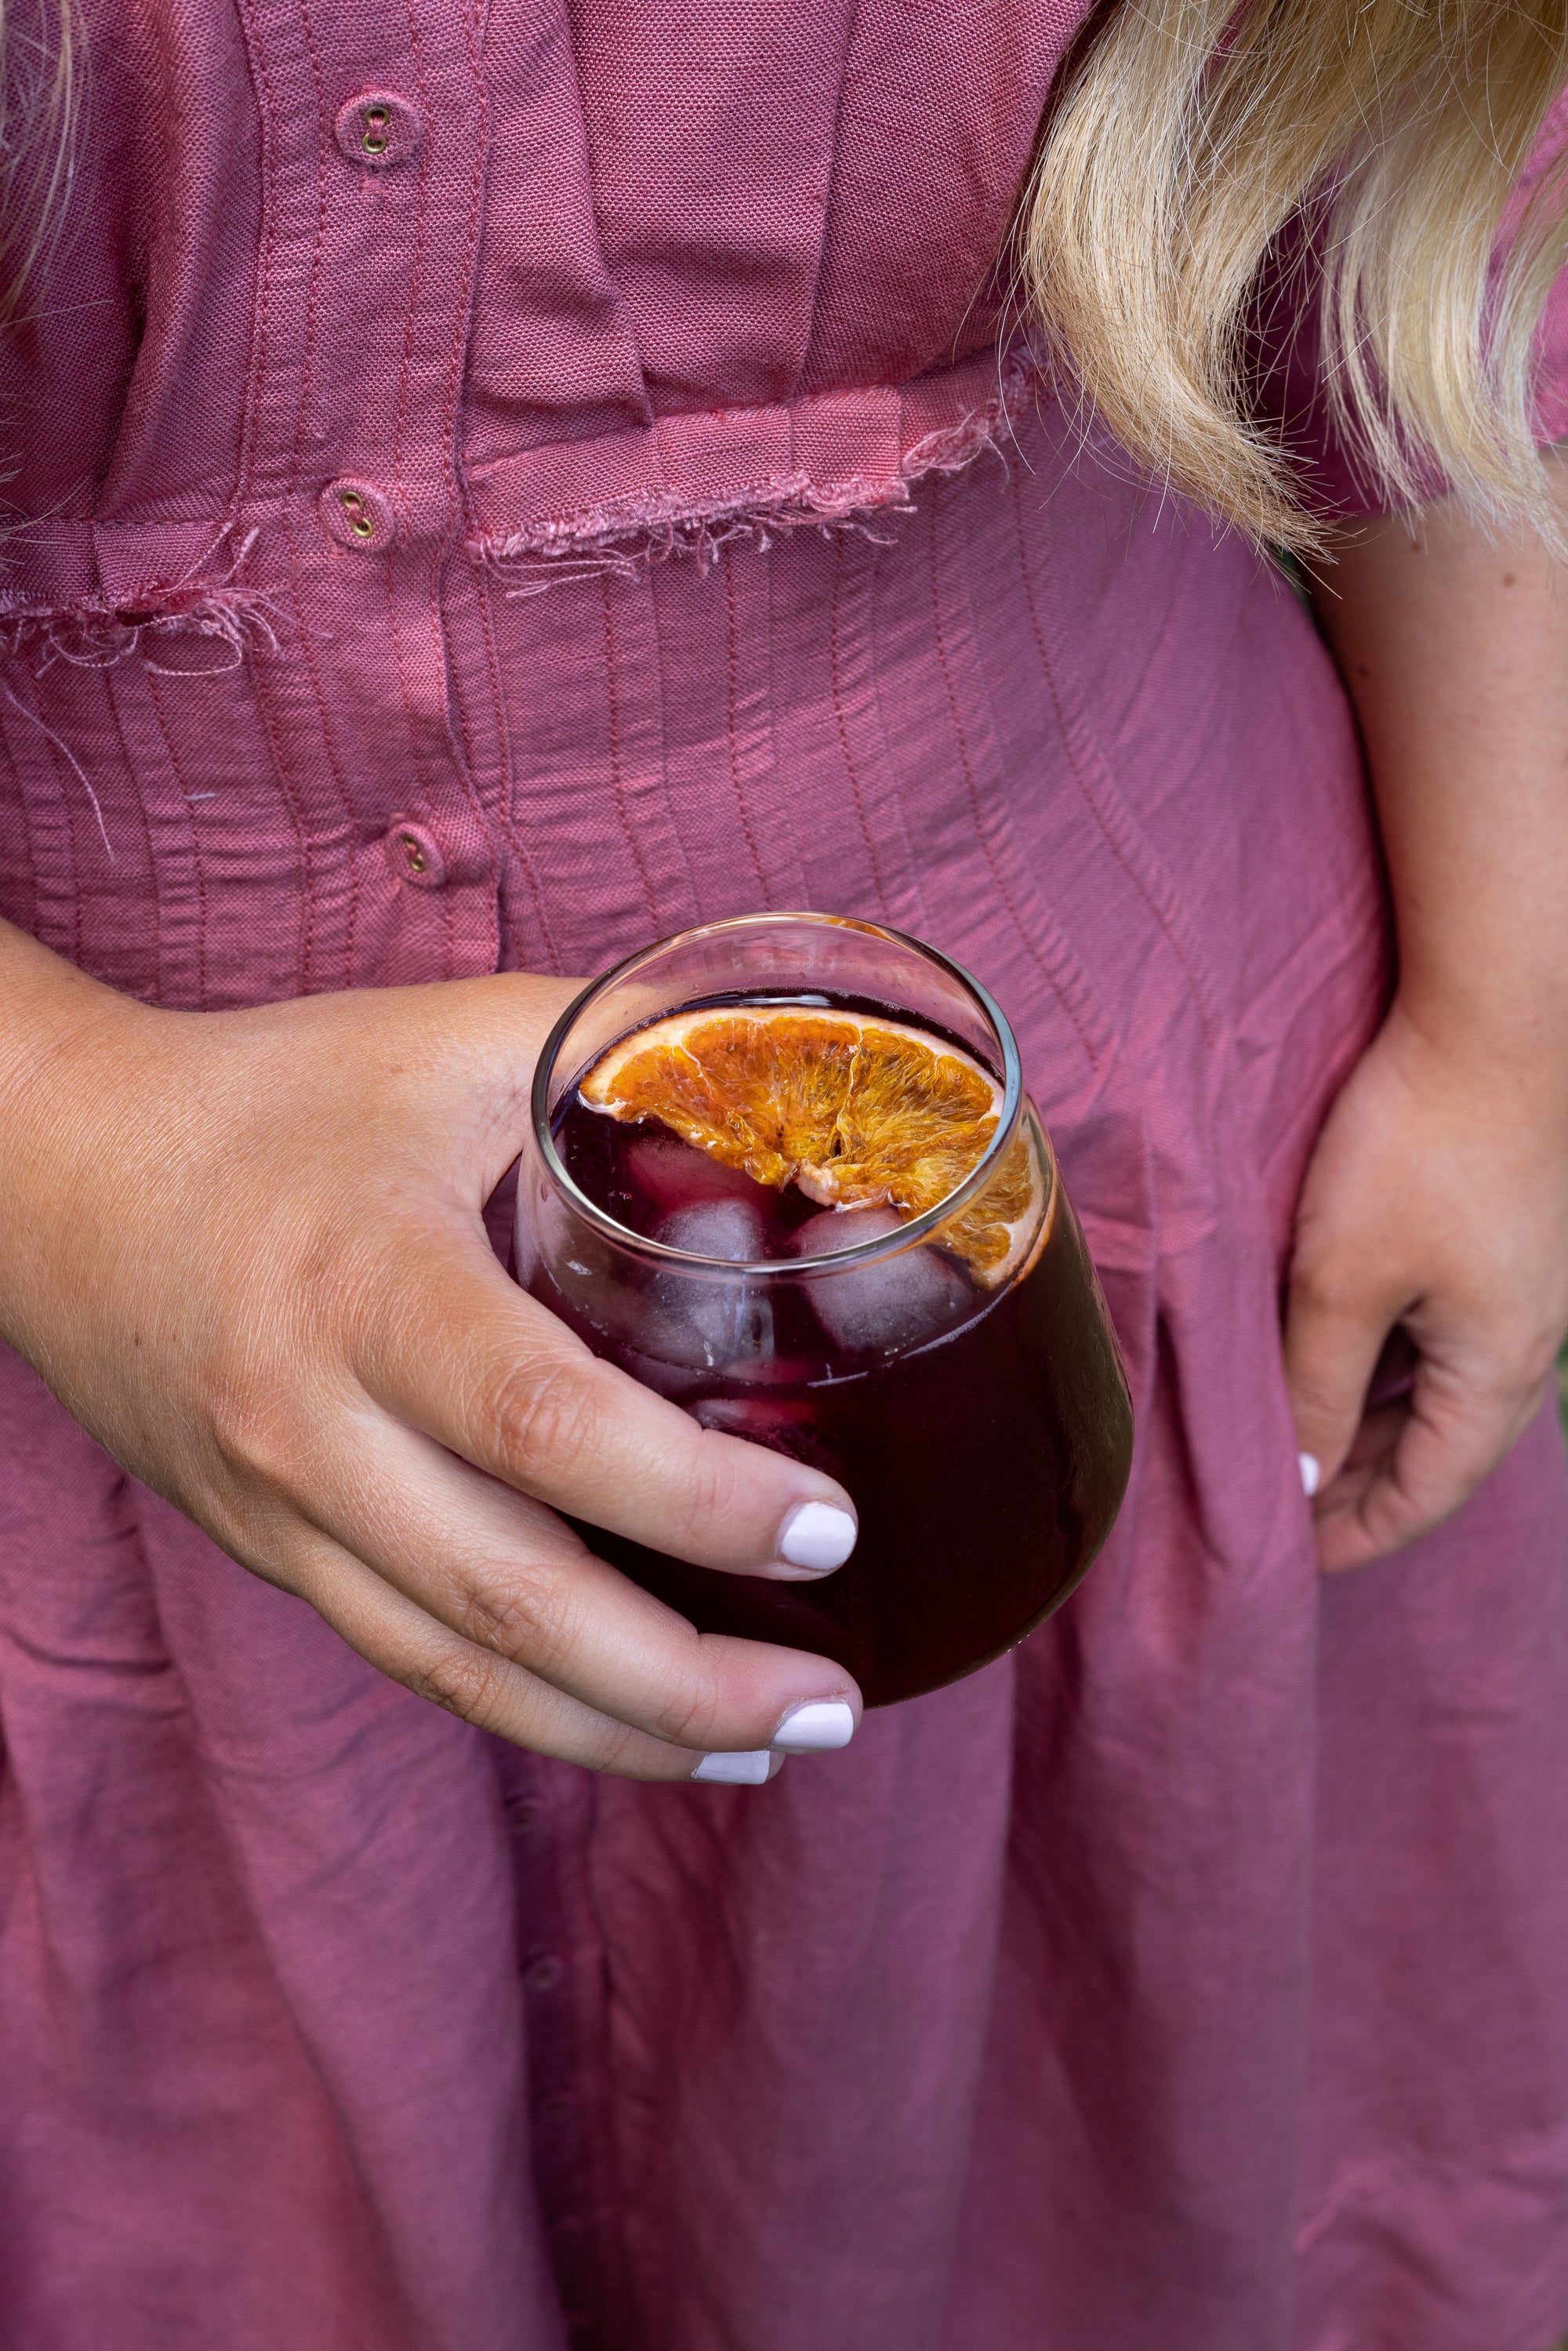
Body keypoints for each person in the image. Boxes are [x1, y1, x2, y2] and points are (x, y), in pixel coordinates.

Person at [2, 3, 1566, 2346]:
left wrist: (1519, 1011)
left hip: (1140, 1203)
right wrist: (70, 1160)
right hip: (73, 1387)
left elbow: (1435, 144)